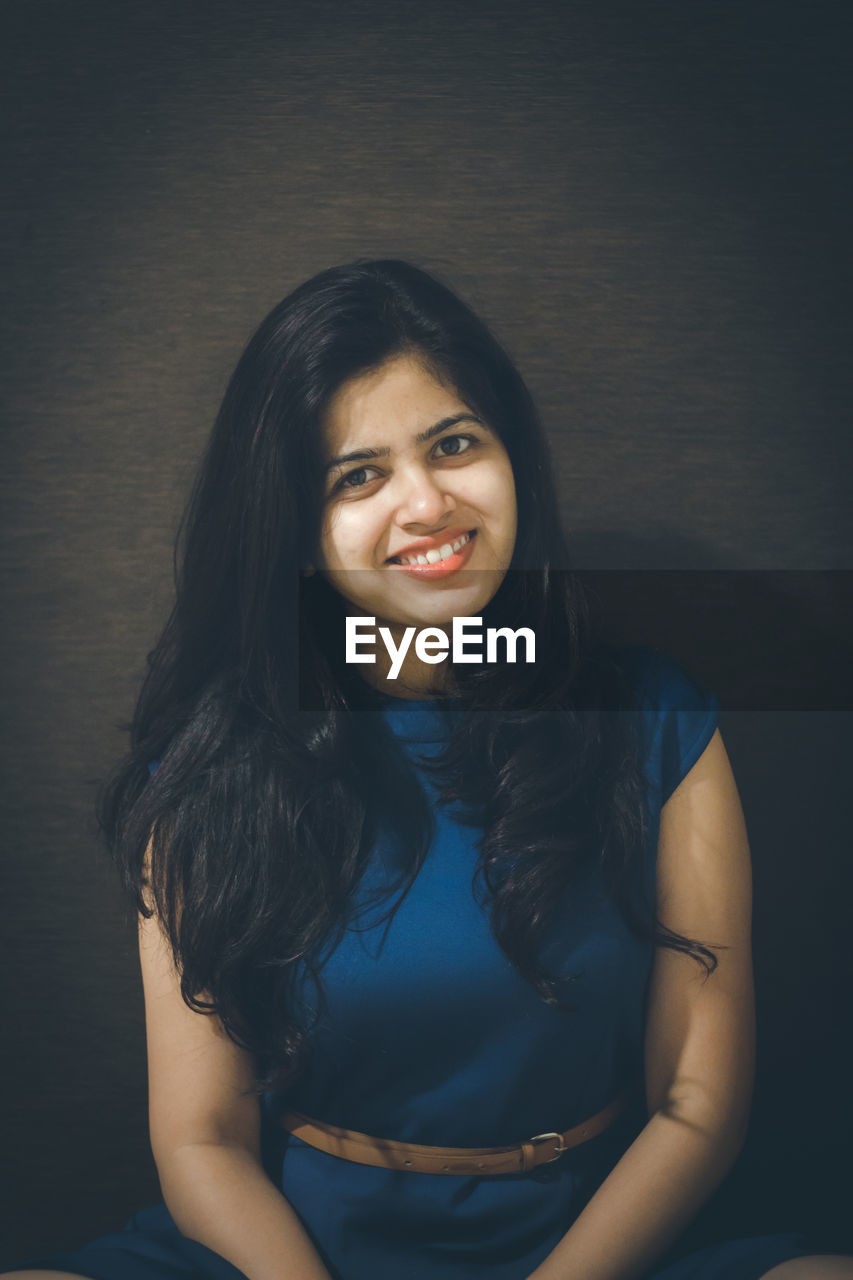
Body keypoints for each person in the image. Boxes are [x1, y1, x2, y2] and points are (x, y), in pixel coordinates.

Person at [7, 260, 850, 1280]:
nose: (426, 503)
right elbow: (201, 1141)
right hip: (290, 1256)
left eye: (453, 444)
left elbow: (695, 1101)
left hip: (602, 1251)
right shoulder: (209, 768)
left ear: (511, 458)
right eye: (356, 475)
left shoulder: (652, 717)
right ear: (295, 530)